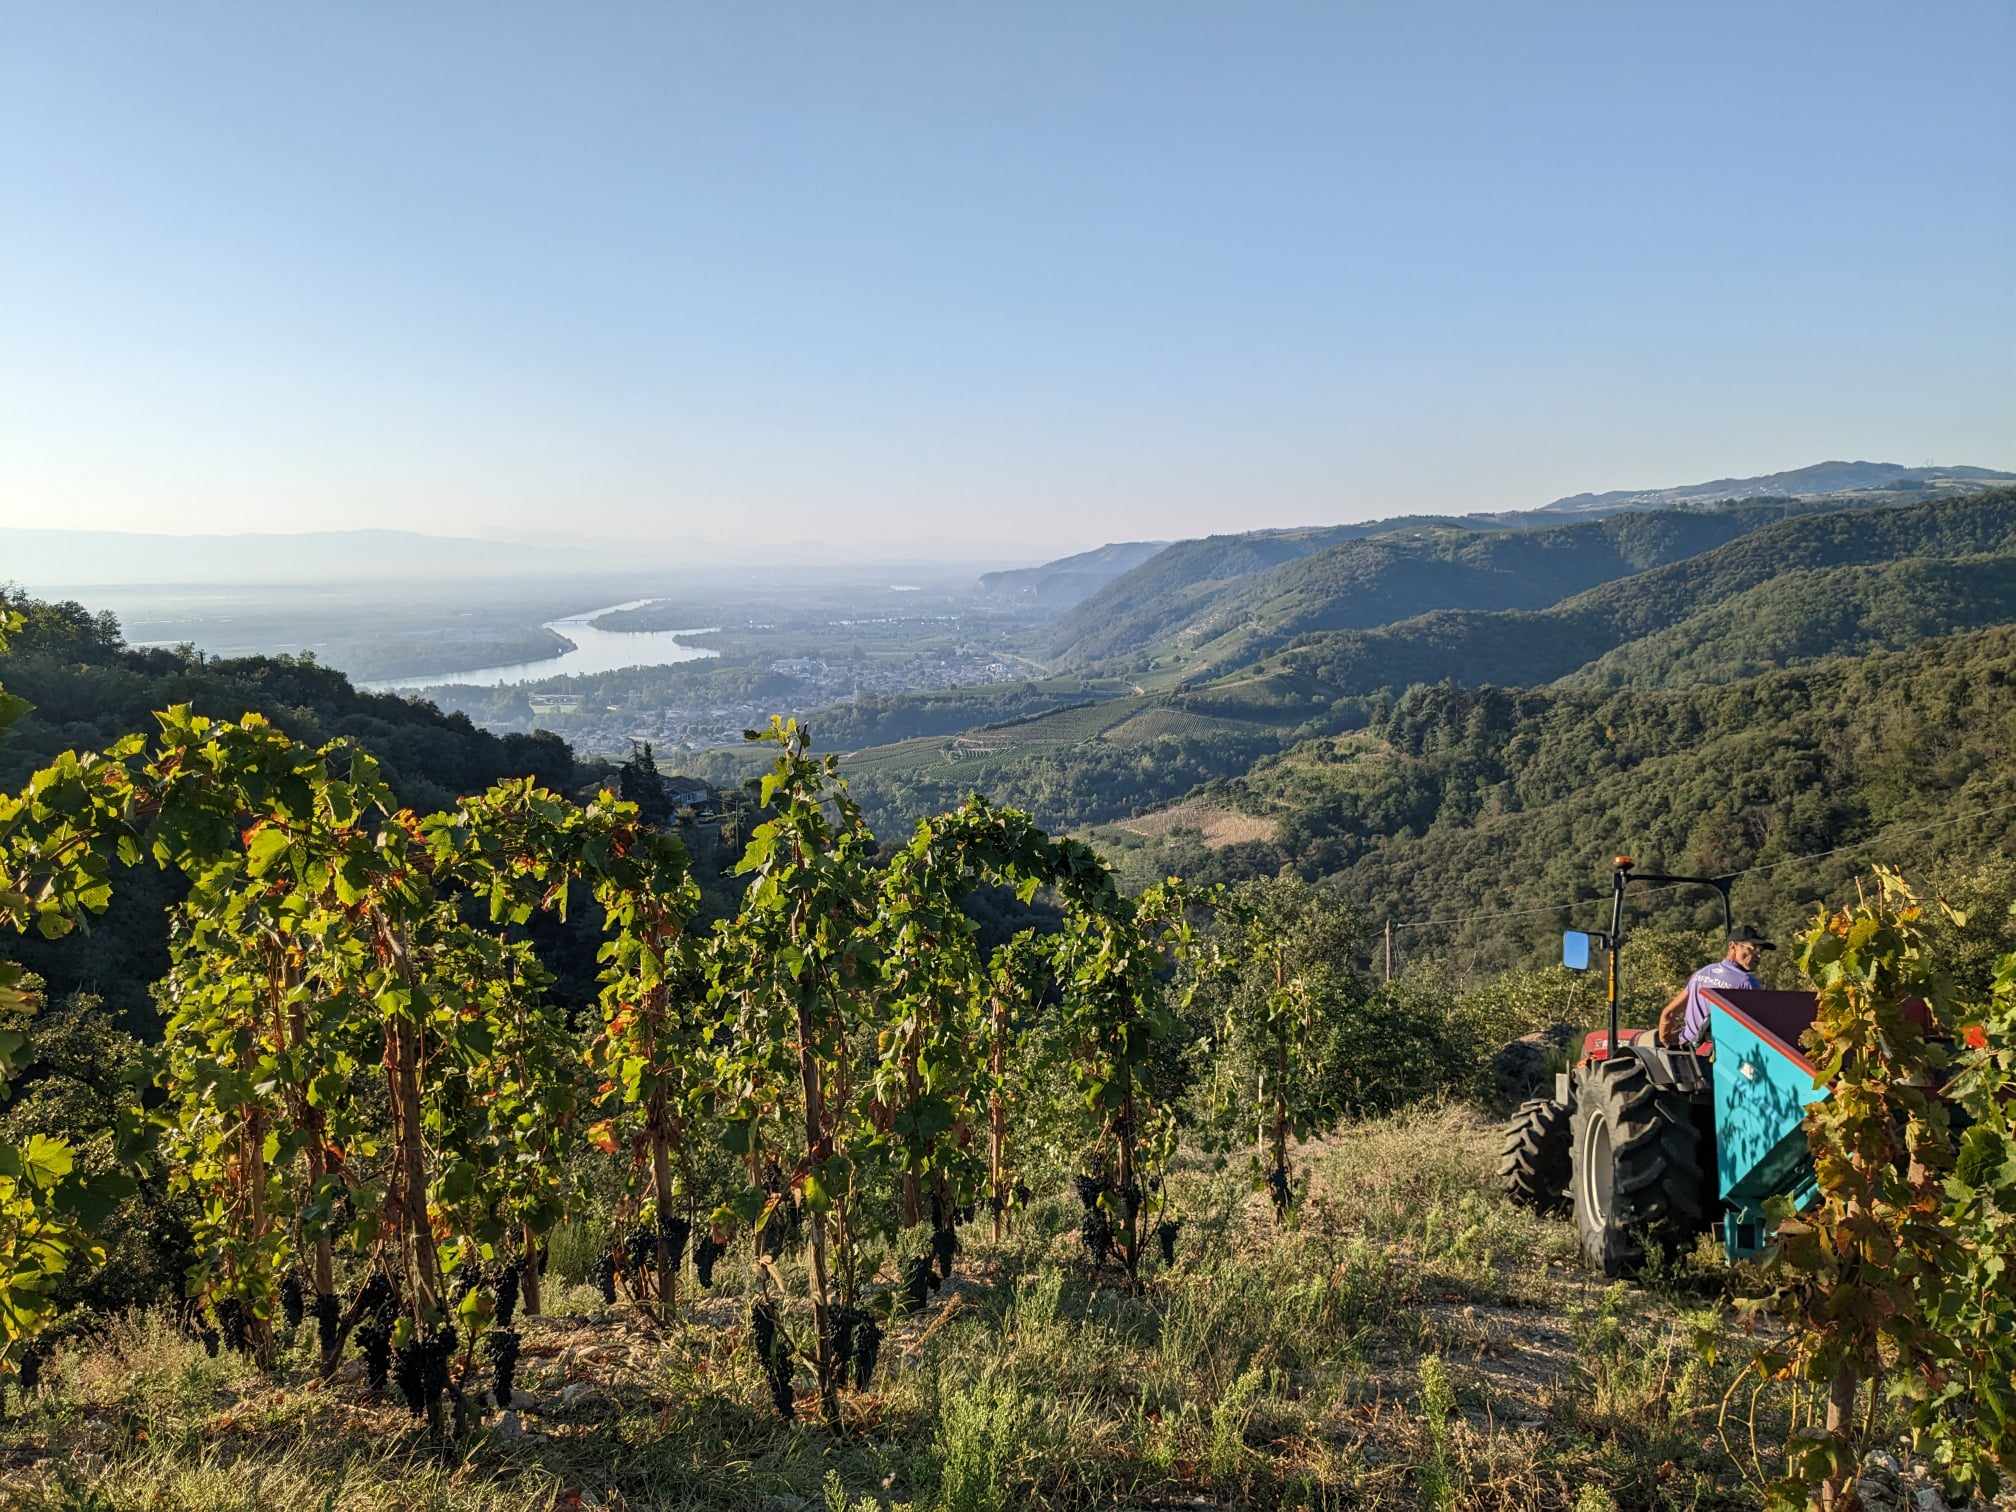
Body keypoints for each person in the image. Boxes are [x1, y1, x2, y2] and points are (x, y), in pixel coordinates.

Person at [1656, 925, 1774, 1048]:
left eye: (1760, 951)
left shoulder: (1701, 973)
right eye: (1753, 948)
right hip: (1722, 1055)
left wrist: (1666, 1042)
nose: (1758, 955)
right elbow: (1761, 1030)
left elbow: (1668, 1014)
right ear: (1732, 946)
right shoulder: (1747, 983)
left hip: (1688, 1052)